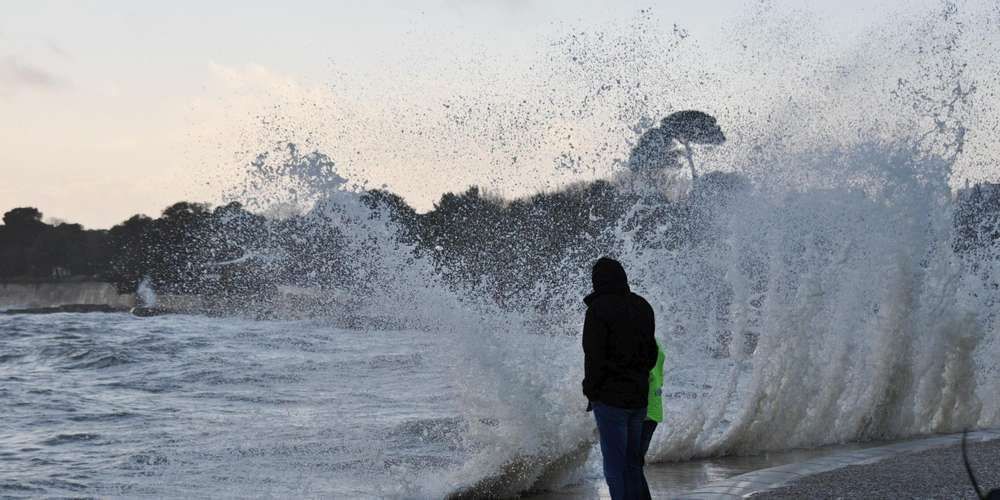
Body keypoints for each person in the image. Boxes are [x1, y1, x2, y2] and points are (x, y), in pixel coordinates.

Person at [582, 257, 658, 500]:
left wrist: (591, 392)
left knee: (614, 469)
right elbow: (652, 354)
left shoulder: (598, 309)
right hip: (638, 398)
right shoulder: (643, 306)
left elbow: (593, 355)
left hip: (610, 400)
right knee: (632, 465)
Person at [639, 340, 665, 500]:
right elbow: (659, 378)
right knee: (635, 463)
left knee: (632, 464)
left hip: (641, 410)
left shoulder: (640, 343)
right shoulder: (656, 344)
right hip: (653, 410)